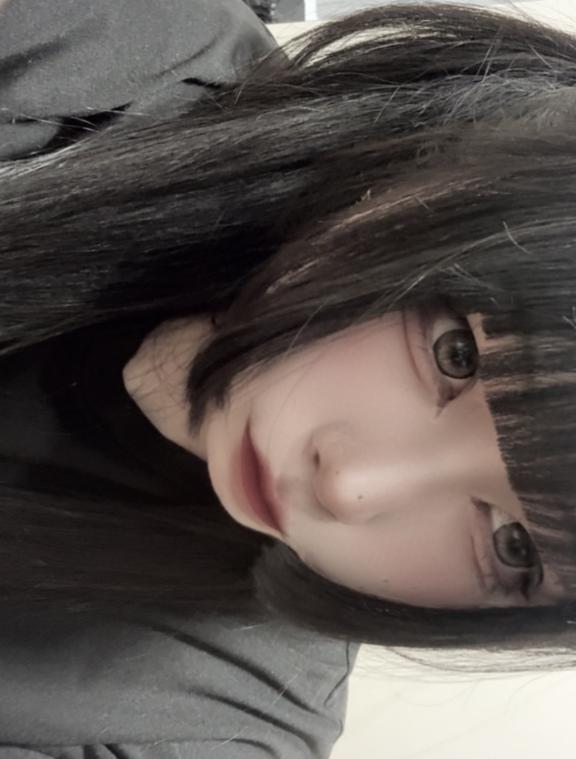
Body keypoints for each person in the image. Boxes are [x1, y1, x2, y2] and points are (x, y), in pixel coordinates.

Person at [0, 0, 575, 751]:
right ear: (444, 190)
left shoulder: (213, 732)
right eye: (455, 355)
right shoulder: (125, 56)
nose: (351, 487)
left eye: (513, 547)